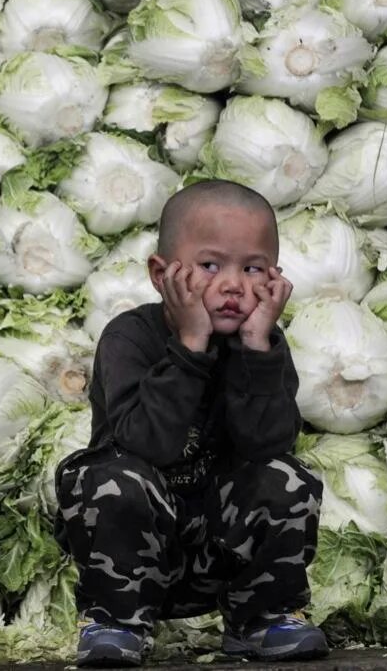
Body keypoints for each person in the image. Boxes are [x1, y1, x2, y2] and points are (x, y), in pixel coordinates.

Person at [54, 179, 326, 667]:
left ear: (275, 279)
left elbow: (269, 442)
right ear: (162, 275)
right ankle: (115, 622)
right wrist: (189, 347)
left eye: (252, 268)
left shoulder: (262, 341)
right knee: (109, 477)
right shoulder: (129, 338)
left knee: (287, 476)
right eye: (210, 266)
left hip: (221, 545)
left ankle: (263, 617)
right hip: (136, 547)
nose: (232, 285)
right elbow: (144, 443)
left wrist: (259, 349)